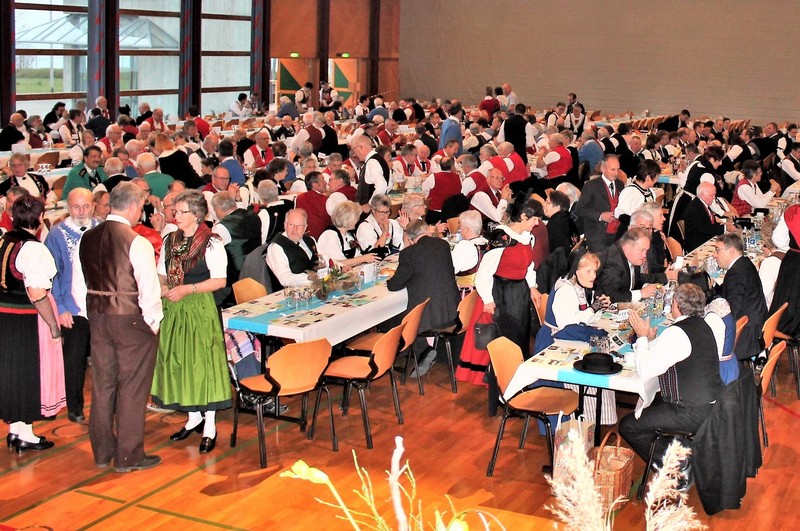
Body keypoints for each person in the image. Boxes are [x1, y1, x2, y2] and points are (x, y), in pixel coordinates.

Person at [73, 182, 163, 471]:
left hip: (98, 318)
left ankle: (102, 452)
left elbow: (78, 285)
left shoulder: (87, 237)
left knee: (103, 384)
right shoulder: (137, 241)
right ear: (134, 206)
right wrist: (153, 322)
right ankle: (128, 455)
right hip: (131, 318)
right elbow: (149, 289)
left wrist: (91, 315)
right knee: (133, 387)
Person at [150, 190, 231, 454]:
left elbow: (219, 281)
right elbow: (161, 273)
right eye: (175, 210)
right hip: (175, 309)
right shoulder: (170, 239)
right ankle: (193, 417)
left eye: (181, 211)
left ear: (196, 214)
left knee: (202, 364)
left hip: (199, 308)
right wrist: (164, 287)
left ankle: (210, 425)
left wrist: (187, 289)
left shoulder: (211, 242)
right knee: (180, 361)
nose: (176, 215)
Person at [619, 283, 723, 469]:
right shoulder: (703, 326)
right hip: (712, 403)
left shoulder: (676, 333)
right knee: (653, 403)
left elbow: (646, 370)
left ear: (676, 304)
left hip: (691, 411)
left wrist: (642, 337)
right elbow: (667, 355)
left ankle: (675, 469)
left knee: (629, 426)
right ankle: (678, 453)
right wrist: (651, 339)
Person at [456, 200, 541, 415]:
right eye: (534, 219)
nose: (537, 223)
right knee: (506, 343)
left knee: (520, 340)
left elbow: (529, 267)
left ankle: (516, 389)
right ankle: (504, 393)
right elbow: (485, 272)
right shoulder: (501, 237)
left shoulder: (527, 237)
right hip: (502, 294)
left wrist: (532, 287)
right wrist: (488, 300)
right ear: (523, 216)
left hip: (520, 294)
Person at [0, 195, 64, 453]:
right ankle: (25, 434)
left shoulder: (4, 240)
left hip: (4, 317)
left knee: (12, 374)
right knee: (28, 374)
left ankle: (16, 431)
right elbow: (37, 293)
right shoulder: (33, 248)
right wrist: (53, 326)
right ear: (40, 218)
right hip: (25, 320)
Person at [534, 252, 617, 424]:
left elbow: (582, 318)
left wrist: (598, 309)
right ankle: (581, 419)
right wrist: (592, 309)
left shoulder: (577, 287)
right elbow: (567, 323)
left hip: (567, 337)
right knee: (590, 367)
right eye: (589, 271)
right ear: (575, 271)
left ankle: (592, 418)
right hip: (554, 341)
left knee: (598, 356)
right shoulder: (565, 290)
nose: (593, 276)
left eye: (595, 271)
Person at [44, 188, 100, 423]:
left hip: (101, 305)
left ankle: (106, 406)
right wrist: (61, 307)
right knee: (74, 360)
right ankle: (75, 407)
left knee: (104, 359)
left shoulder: (102, 228)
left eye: (86, 206)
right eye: (76, 207)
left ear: (93, 206)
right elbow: (51, 274)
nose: (81, 211)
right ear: (68, 207)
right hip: (72, 307)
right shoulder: (56, 235)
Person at [387, 219, 460, 373]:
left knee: (391, 317)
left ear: (409, 238)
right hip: (452, 307)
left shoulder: (409, 253)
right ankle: (416, 351)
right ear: (426, 231)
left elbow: (394, 285)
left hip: (430, 316)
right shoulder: (443, 245)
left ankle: (419, 351)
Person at [714, 233, 767, 361]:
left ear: (731, 251)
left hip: (746, 337)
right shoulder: (745, 263)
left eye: (717, 250)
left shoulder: (736, 273)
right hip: (757, 327)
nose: (714, 255)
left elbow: (731, 312)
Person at [211, 191, 262, 306]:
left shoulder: (221, 228)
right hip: (257, 268)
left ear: (218, 208)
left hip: (235, 277)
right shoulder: (253, 216)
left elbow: (212, 253)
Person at [595, 227, 662, 303]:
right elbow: (610, 296)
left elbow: (636, 280)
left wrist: (651, 287)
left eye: (646, 251)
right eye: (642, 250)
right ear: (628, 248)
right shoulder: (612, 262)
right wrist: (641, 293)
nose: (644, 255)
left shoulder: (632, 257)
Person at [265, 208, 318, 289]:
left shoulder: (310, 240)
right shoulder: (276, 247)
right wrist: (312, 278)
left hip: (315, 288)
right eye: (291, 225)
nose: (294, 230)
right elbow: (285, 279)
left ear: (305, 227)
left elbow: (321, 261)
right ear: (285, 225)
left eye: (299, 226)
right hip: (288, 292)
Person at [317, 201, 378, 269]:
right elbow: (336, 264)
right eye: (356, 217)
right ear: (348, 218)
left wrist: (366, 258)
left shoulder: (349, 235)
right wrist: (363, 258)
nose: (358, 219)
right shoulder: (330, 235)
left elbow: (358, 257)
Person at [682, 182, 732, 253]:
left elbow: (710, 222)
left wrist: (725, 224)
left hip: (704, 239)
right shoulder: (695, 208)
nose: (714, 198)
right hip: (698, 245)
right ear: (703, 195)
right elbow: (706, 228)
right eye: (712, 195)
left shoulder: (701, 204)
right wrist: (726, 228)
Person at [295, 171, 331, 239]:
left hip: (303, 238)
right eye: (322, 180)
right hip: (322, 238)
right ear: (315, 185)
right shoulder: (327, 200)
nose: (325, 182)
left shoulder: (299, 198)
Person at [543, 189, 579, 254]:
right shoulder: (569, 219)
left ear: (558, 207)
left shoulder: (554, 224)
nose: (544, 205)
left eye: (548, 203)